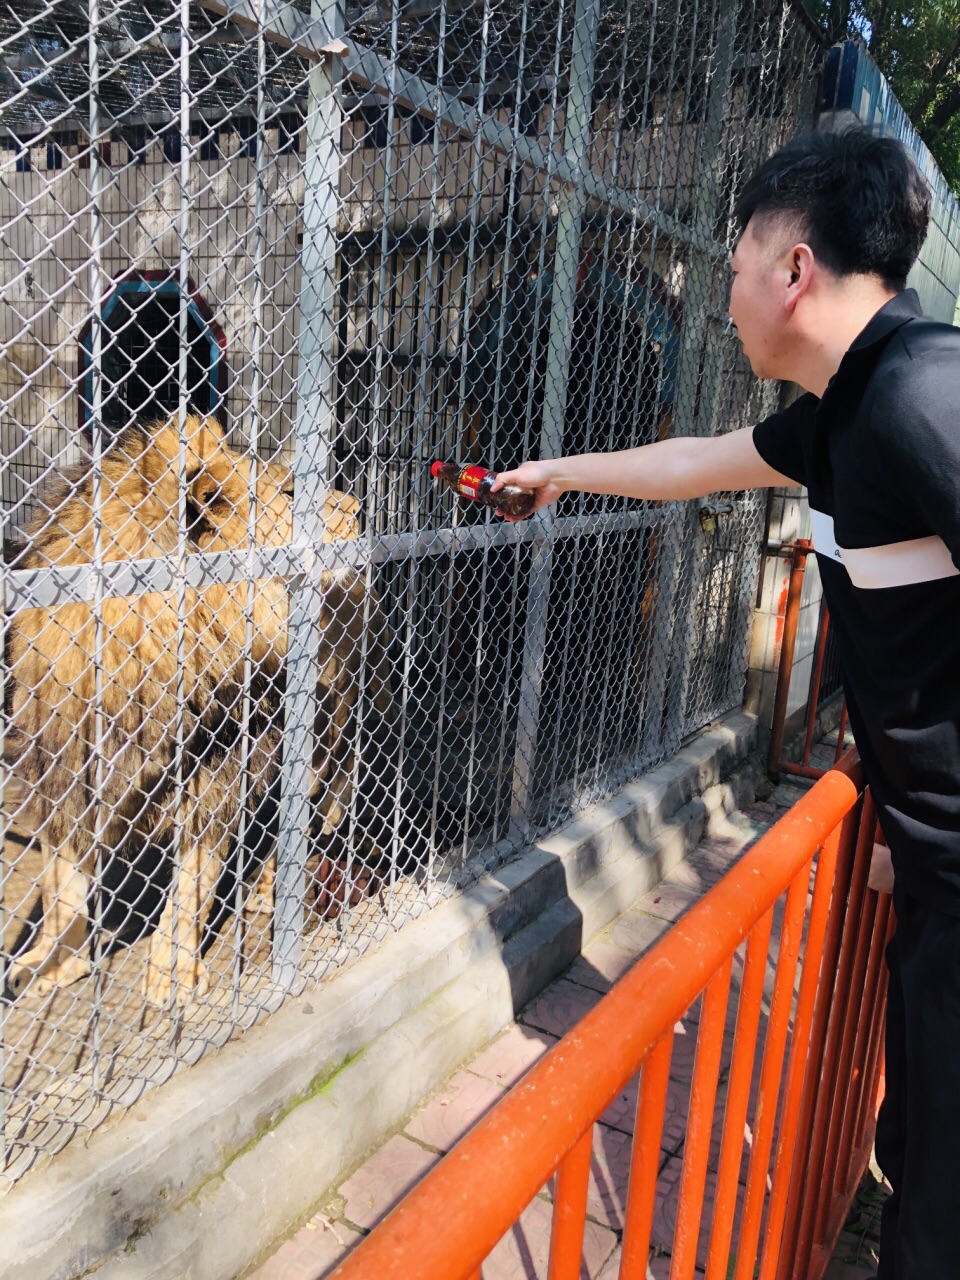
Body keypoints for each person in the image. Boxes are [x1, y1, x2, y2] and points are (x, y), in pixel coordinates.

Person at [494, 128, 960, 1279]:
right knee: (922, 1160)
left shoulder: (921, 392)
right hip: (935, 864)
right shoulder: (842, 413)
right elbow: (695, 461)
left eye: (736, 257)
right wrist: (556, 472)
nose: (724, 287)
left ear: (794, 269)